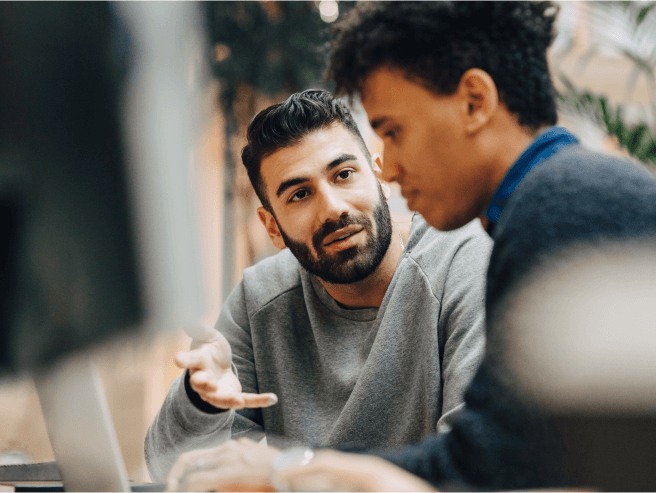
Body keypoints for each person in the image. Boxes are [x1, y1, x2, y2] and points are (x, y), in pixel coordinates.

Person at [162, 1, 656, 491]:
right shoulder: (555, 199)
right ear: (271, 223)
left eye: (393, 132)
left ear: (474, 102)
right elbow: (490, 460)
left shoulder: (564, 210)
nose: (391, 168)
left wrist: (286, 471)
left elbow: (483, 475)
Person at [146, 89, 492, 485]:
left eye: (343, 175)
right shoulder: (260, 297)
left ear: (378, 177)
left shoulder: (463, 265)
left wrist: (289, 470)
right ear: (272, 226)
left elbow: (472, 468)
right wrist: (199, 402)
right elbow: (169, 469)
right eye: (299, 194)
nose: (333, 207)